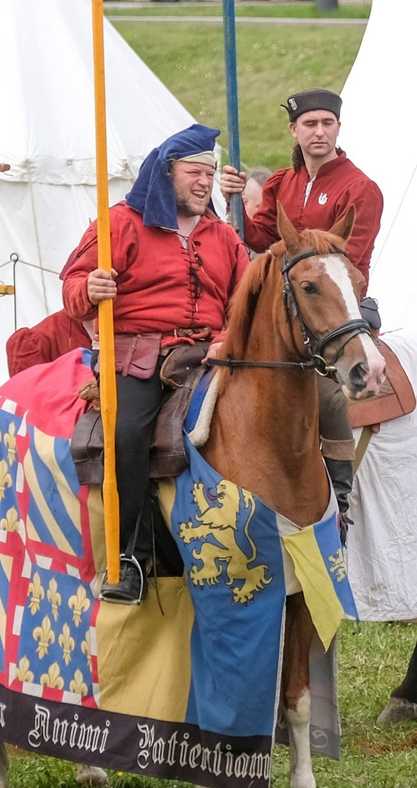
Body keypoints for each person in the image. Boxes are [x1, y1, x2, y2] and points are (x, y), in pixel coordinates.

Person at [61, 124, 246, 606]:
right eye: (194, 173)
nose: (205, 183)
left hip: (208, 352)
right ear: (167, 174)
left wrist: (227, 337)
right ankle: (132, 559)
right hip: (139, 355)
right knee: (128, 433)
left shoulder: (223, 236)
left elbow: (246, 299)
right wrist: (90, 290)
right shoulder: (122, 222)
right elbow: (73, 286)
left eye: (209, 173)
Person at [223, 87, 384, 524]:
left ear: (337, 128)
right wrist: (232, 199)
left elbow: (351, 255)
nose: (319, 132)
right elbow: (256, 239)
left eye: (327, 124)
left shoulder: (360, 188)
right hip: (286, 308)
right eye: (310, 124)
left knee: (330, 397)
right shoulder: (282, 183)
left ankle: (340, 505)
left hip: (342, 304)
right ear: (294, 130)